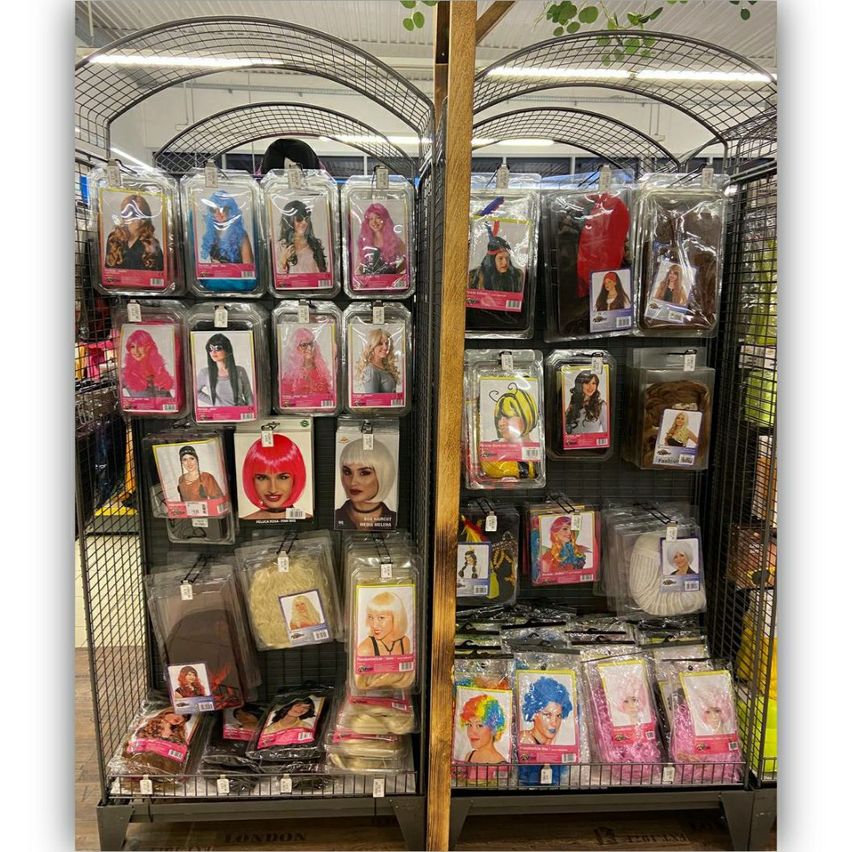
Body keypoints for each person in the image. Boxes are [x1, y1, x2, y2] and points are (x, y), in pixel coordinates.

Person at [240, 432, 308, 520]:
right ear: (251, 479)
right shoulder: (240, 524)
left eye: (283, 477)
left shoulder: (311, 521)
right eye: (262, 478)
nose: (273, 489)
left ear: (295, 478)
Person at [334, 437, 397, 529]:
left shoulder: (395, 521)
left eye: (364, 473)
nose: (353, 481)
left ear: (383, 475)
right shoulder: (334, 517)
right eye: (347, 472)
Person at [105, 193, 164, 271]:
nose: (139, 219)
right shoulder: (114, 239)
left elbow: (160, 272)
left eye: (142, 214)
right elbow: (107, 269)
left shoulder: (151, 243)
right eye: (134, 214)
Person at [196, 333, 254, 408]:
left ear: (227, 350)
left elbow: (248, 395)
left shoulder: (240, 371)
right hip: (219, 416)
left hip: (240, 413)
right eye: (210, 349)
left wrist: (252, 412)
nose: (213, 352)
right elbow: (195, 392)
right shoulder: (205, 373)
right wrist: (215, 403)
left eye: (218, 348)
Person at [199, 190, 254, 264]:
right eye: (213, 210)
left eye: (223, 209)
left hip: (237, 274)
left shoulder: (241, 235)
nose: (218, 214)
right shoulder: (212, 235)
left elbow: (248, 267)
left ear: (231, 210)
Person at [280, 326, 334, 401]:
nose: (309, 348)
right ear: (295, 349)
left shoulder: (320, 371)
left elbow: (328, 396)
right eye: (304, 345)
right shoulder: (290, 376)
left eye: (311, 344)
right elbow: (285, 401)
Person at [276, 199, 327, 274]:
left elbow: (323, 272)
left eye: (306, 219)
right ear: (289, 221)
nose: (304, 223)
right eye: (299, 219)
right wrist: (283, 261)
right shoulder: (280, 247)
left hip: (313, 284)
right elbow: (279, 279)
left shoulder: (315, 244)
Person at [121, 328, 174, 398]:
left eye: (140, 346)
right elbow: (115, 395)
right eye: (132, 347)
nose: (136, 351)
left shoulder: (159, 371)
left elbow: (169, 399)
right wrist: (126, 402)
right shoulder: (125, 373)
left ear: (149, 347)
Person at [356, 202, 407, 276]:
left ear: (385, 219)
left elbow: (407, 260)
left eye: (378, 218)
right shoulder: (364, 241)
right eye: (371, 219)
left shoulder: (395, 240)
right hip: (368, 284)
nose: (374, 222)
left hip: (389, 284)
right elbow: (358, 266)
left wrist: (395, 273)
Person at [520, 677, 573, 746]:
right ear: (533, 714)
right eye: (547, 715)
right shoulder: (525, 740)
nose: (554, 723)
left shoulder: (551, 743)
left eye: (558, 716)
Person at [358, 590, 411, 657]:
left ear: (396, 618)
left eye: (381, 618)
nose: (374, 625)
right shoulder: (365, 649)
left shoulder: (405, 642)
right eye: (371, 617)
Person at [468, 227, 523, 293]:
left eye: (507, 258)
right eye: (500, 258)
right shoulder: (474, 276)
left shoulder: (517, 276)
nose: (505, 262)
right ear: (492, 260)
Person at [459, 694, 507, 763]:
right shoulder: (469, 756)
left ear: (493, 728)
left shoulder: (501, 763)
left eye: (479, 725)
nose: (472, 731)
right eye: (469, 724)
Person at [355, 327, 400, 395]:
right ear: (372, 346)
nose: (385, 347)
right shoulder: (371, 370)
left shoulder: (385, 366)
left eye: (387, 343)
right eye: (380, 344)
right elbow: (372, 401)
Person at [564, 370, 607, 435]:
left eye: (593, 383)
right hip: (572, 444)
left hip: (592, 444)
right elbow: (565, 428)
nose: (591, 387)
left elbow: (607, 433)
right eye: (587, 383)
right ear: (580, 385)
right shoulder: (573, 404)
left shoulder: (601, 405)